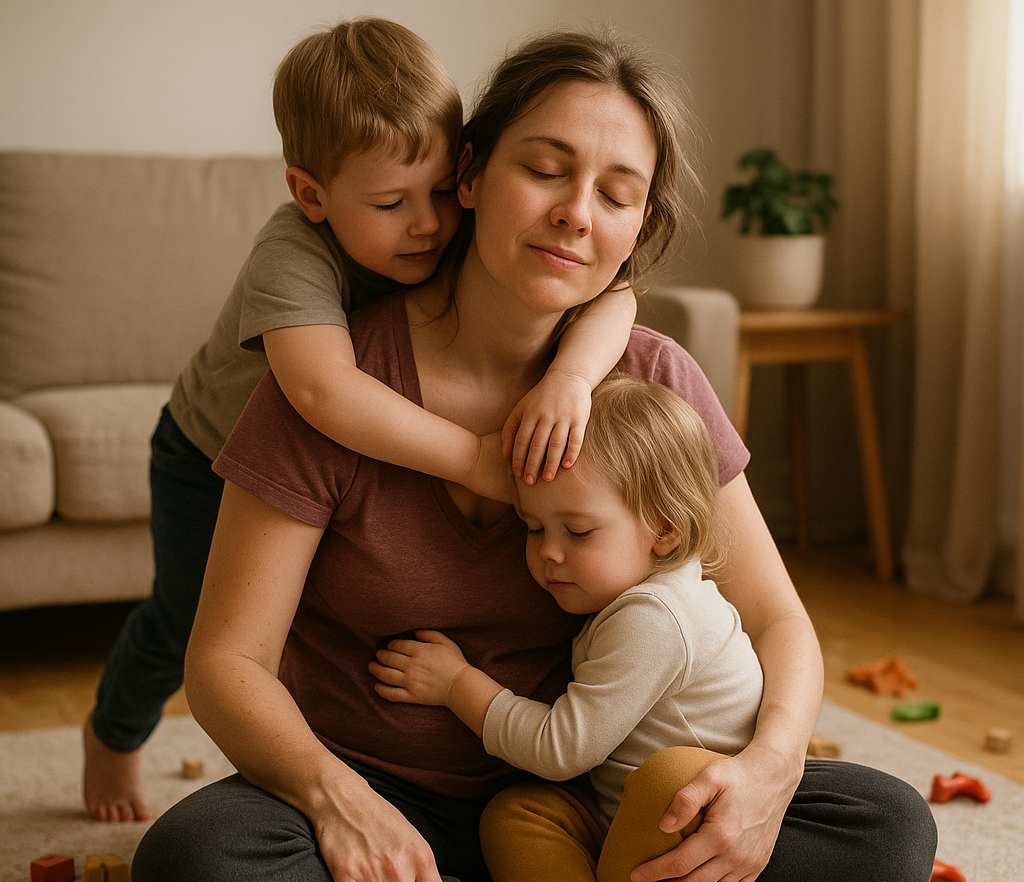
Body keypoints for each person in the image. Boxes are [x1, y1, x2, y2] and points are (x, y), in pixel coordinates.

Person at [131, 27, 937, 882]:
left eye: (616, 192)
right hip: (384, 787)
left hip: (599, 802)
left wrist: (769, 771)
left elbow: (779, 622)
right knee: (199, 876)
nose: (573, 214)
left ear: (639, 223)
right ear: (468, 174)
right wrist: (338, 805)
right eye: (544, 170)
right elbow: (226, 662)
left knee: (887, 834)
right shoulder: (331, 382)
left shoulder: (650, 378)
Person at [83, 17, 636, 823]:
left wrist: (574, 380)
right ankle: (113, 733)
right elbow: (322, 394)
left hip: (329, 475)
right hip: (208, 453)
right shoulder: (294, 253)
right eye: (390, 202)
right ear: (311, 195)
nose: (427, 224)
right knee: (184, 616)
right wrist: (476, 459)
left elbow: (616, 290)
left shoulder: (452, 229)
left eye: (443, 190)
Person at [370, 373, 795, 882]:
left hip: (688, 829)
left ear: (666, 530)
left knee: (678, 778)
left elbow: (561, 749)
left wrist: (457, 685)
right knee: (517, 814)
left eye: (578, 531)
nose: (548, 556)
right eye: (534, 529)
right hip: (616, 820)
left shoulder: (654, 616)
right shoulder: (638, 593)